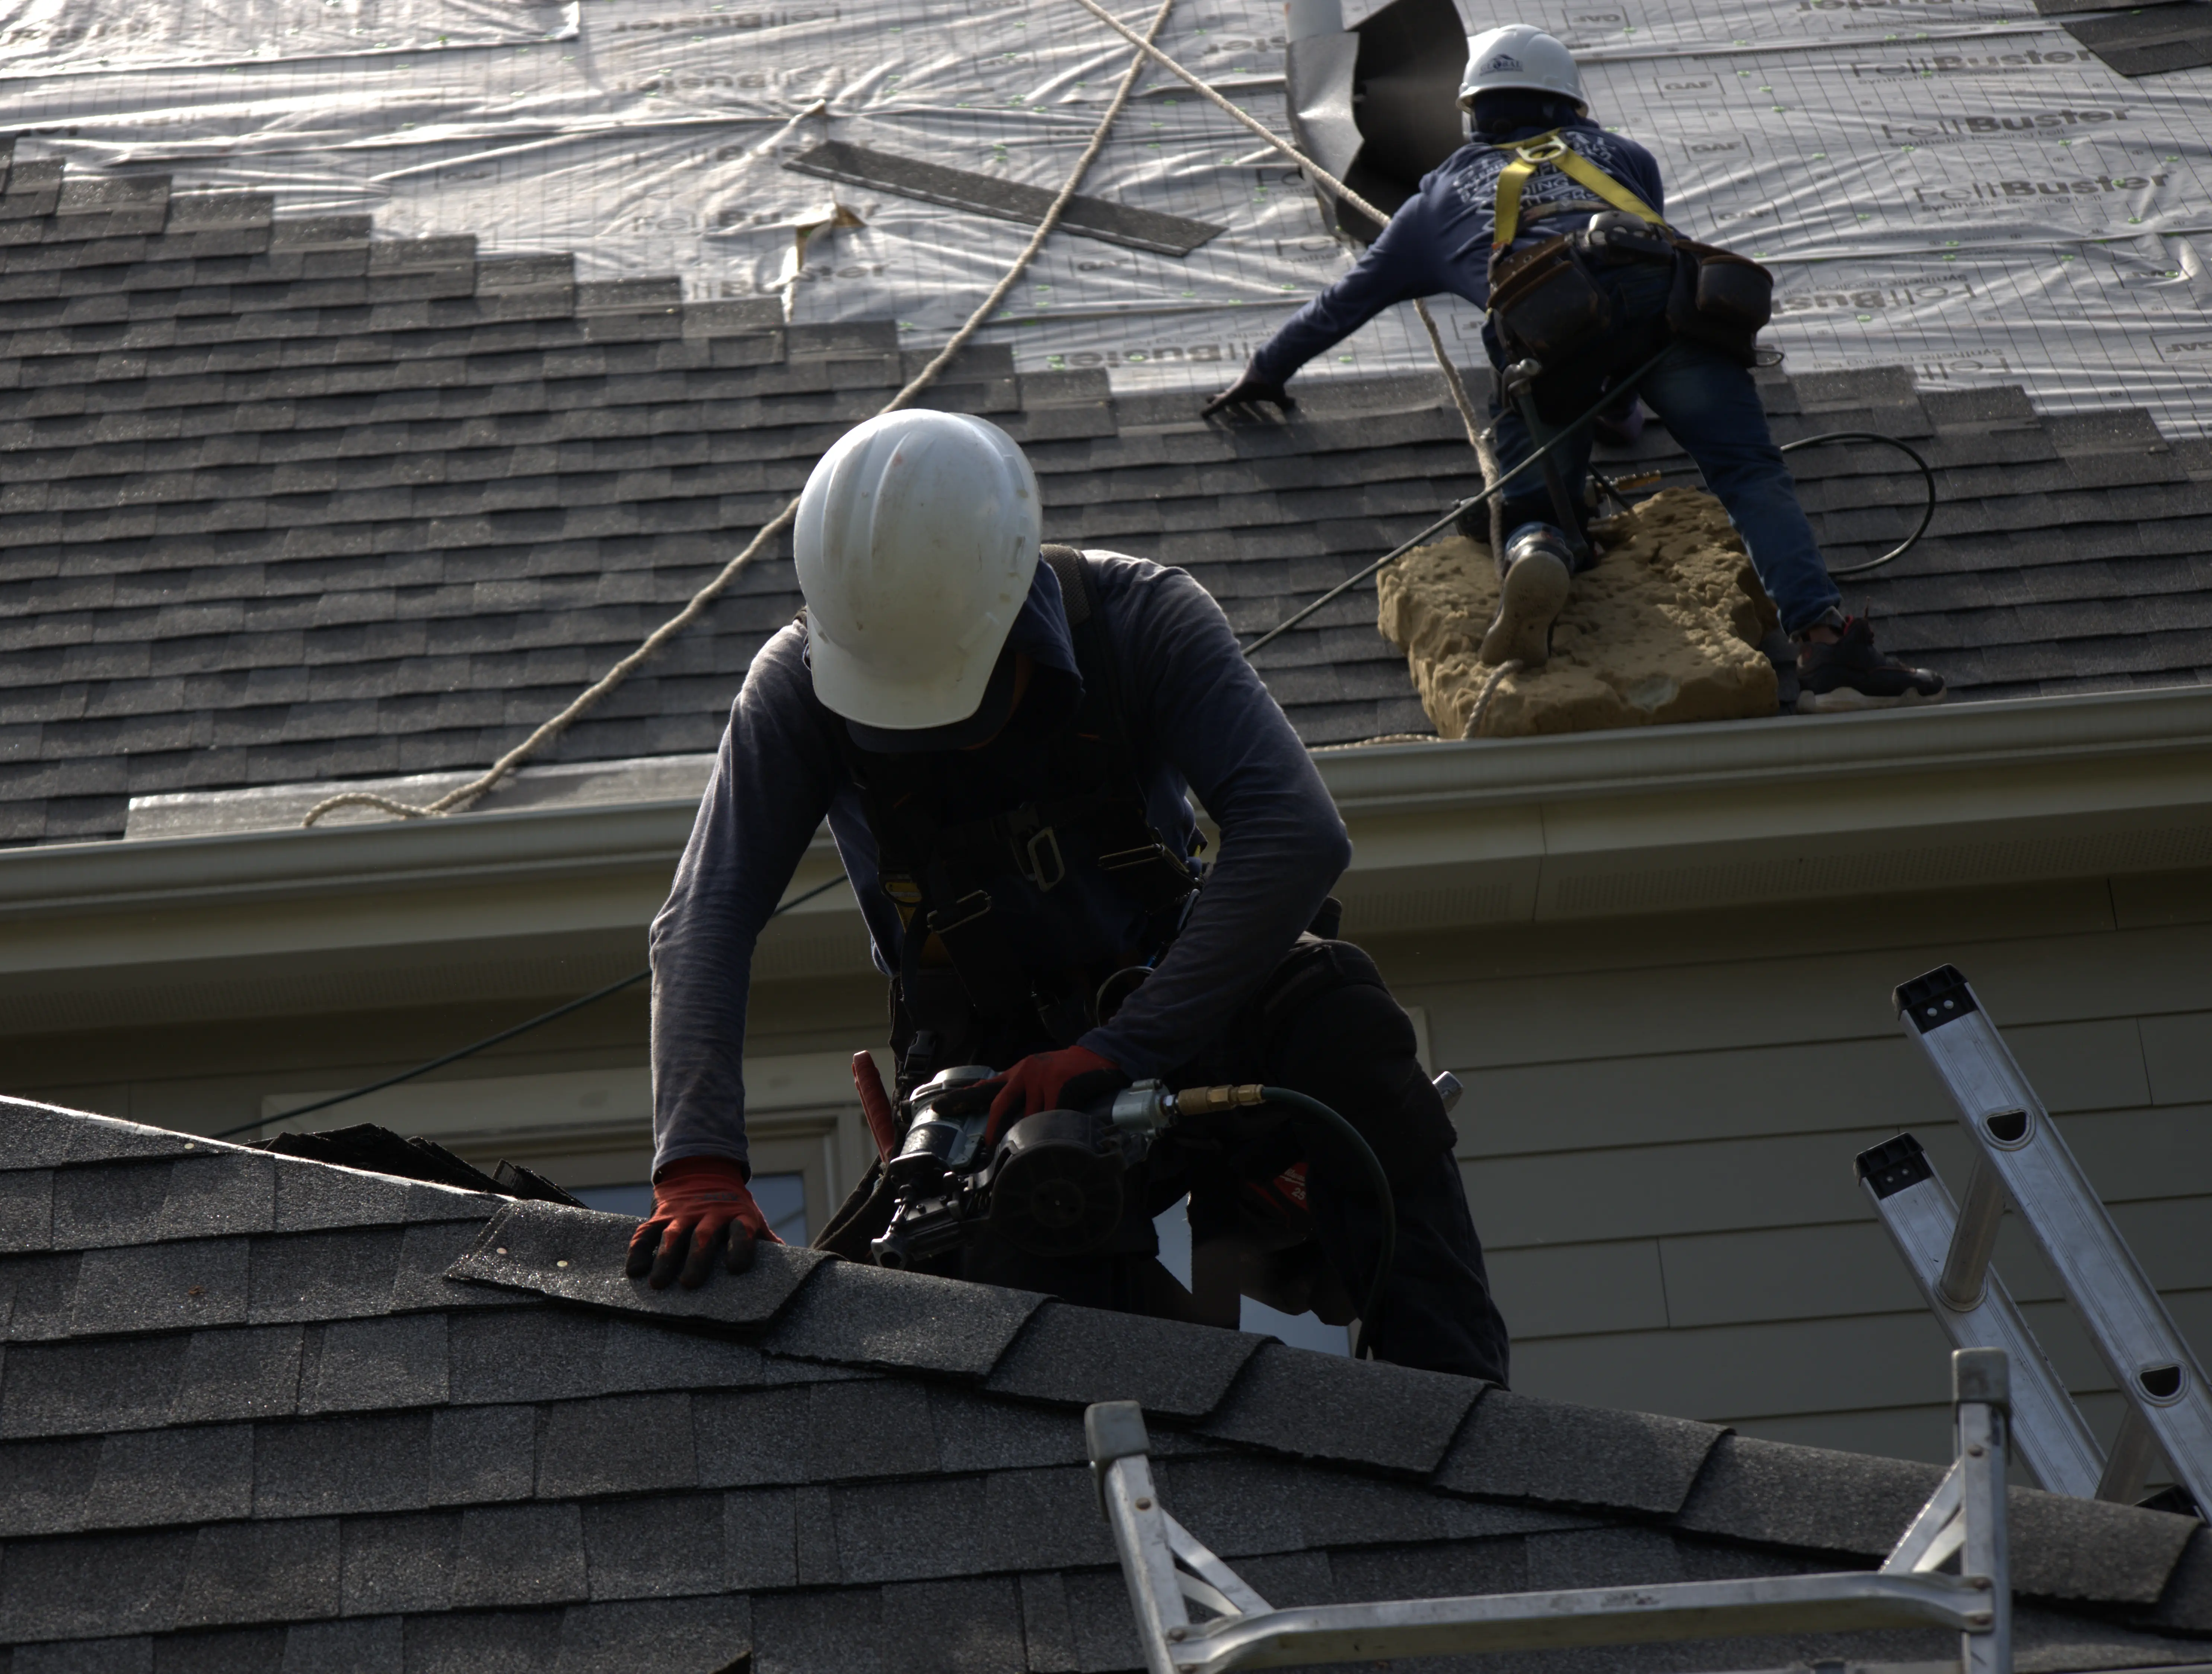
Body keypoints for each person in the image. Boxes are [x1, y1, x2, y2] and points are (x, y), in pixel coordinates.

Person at [631, 407, 1509, 1386]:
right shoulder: (798, 687)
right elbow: (703, 913)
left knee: (1335, 1008)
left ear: (1014, 601)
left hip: (1177, 1006)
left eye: (955, 695)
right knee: (1041, 1326)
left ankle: (1466, 1425)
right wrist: (697, 1165)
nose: (938, 738)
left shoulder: (1141, 623)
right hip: (989, 1076)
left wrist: (1117, 1049)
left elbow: (1295, 836)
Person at [1205, 24, 1945, 714]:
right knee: (1749, 474)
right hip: (1667, 308)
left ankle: (1540, 543)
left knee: (1533, 494)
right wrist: (1623, 412)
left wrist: (1266, 372)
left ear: (1471, 112)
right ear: (1570, 103)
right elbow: (1629, 290)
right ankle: (1825, 645)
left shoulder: (1436, 200)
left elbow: (1340, 305)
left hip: (1545, 324)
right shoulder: (1623, 159)